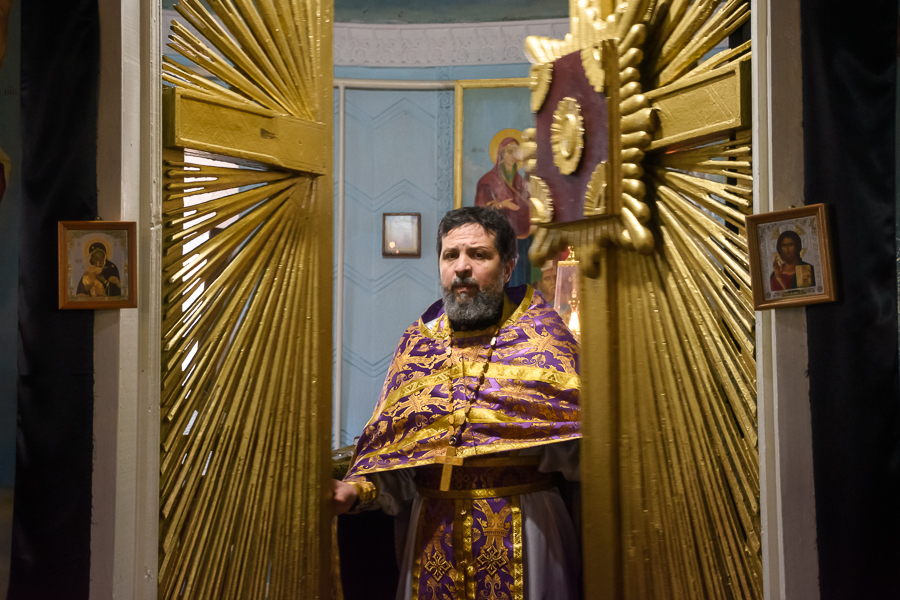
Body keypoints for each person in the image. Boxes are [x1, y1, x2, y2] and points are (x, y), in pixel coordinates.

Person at [333, 206, 581, 600]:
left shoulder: (545, 340)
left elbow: (582, 454)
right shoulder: (417, 347)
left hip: (528, 529)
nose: (462, 267)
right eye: (451, 255)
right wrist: (355, 492)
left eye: (478, 255)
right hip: (433, 533)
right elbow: (396, 458)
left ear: (508, 267)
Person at [474, 137, 530, 240]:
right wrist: (501, 205)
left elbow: (528, 202)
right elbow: (480, 212)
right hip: (498, 238)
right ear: (501, 154)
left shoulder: (520, 181)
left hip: (522, 236)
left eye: (516, 152)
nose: (513, 156)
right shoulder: (486, 182)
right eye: (509, 152)